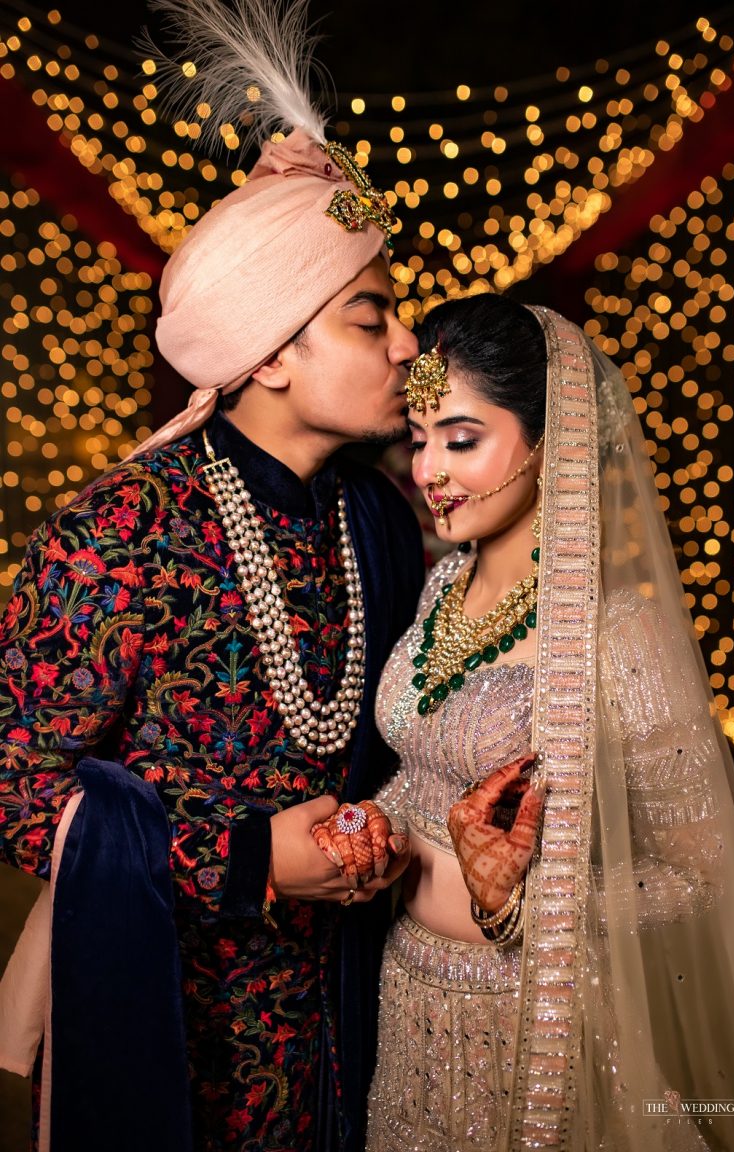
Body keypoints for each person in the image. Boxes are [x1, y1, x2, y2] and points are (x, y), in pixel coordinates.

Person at [0, 2, 423, 1150]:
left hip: (355, 1026)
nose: (407, 351)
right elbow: (19, 791)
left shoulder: (380, 518)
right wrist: (247, 860)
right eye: (373, 318)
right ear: (273, 352)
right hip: (167, 1030)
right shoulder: (120, 529)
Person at [360, 294, 734, 1151]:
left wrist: (523, 895)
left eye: (462, 439)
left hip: (537, 1021)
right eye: (422, 437)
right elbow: (427, 767)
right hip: (408, 1003)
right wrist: (374, 824)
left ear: (555, 441)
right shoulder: (442, 591)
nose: (429, 469)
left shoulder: (619, 639)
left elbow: (700, 875)